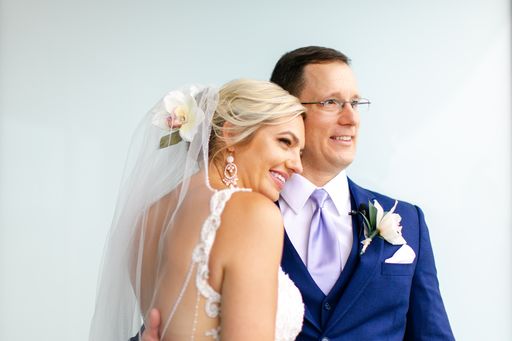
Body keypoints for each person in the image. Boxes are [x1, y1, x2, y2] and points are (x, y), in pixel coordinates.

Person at [139, 46, 455, 340]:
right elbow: (174, 317)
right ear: (289, 109)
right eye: (331, 102)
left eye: (355, 103)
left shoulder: (407, 220)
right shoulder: (235, 214)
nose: (351, 118)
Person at [89, 79, 307, 341]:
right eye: (285, 142)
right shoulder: (254, 214)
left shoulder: (148, 218)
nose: (297, 165)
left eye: (300, 152)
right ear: (232, 134)